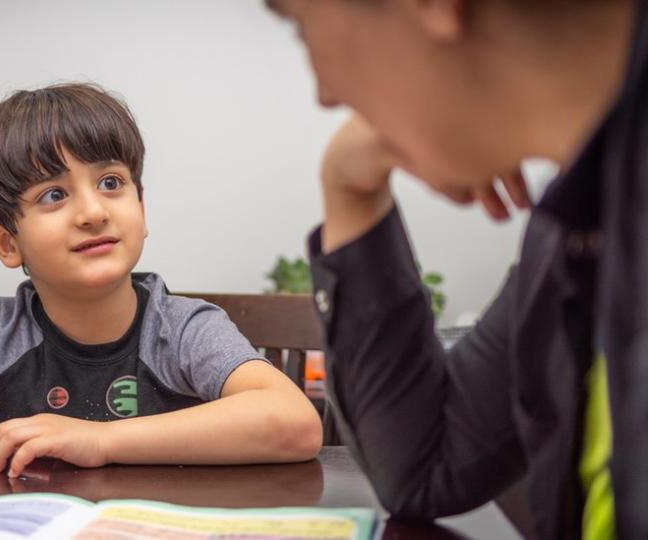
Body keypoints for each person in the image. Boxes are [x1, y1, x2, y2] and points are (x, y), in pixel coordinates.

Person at [0, 83, 322, 495]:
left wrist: (101, 439)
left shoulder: (183, 328)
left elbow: (295, 424)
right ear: (7, 242)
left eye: (112, 183)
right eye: (54, 194)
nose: (93, 211)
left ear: (142, 209)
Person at [267, 0, 646, 538]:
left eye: (303, 28)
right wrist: (349, 187)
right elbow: (423, 468)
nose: (325, 93)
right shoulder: (578, 224)